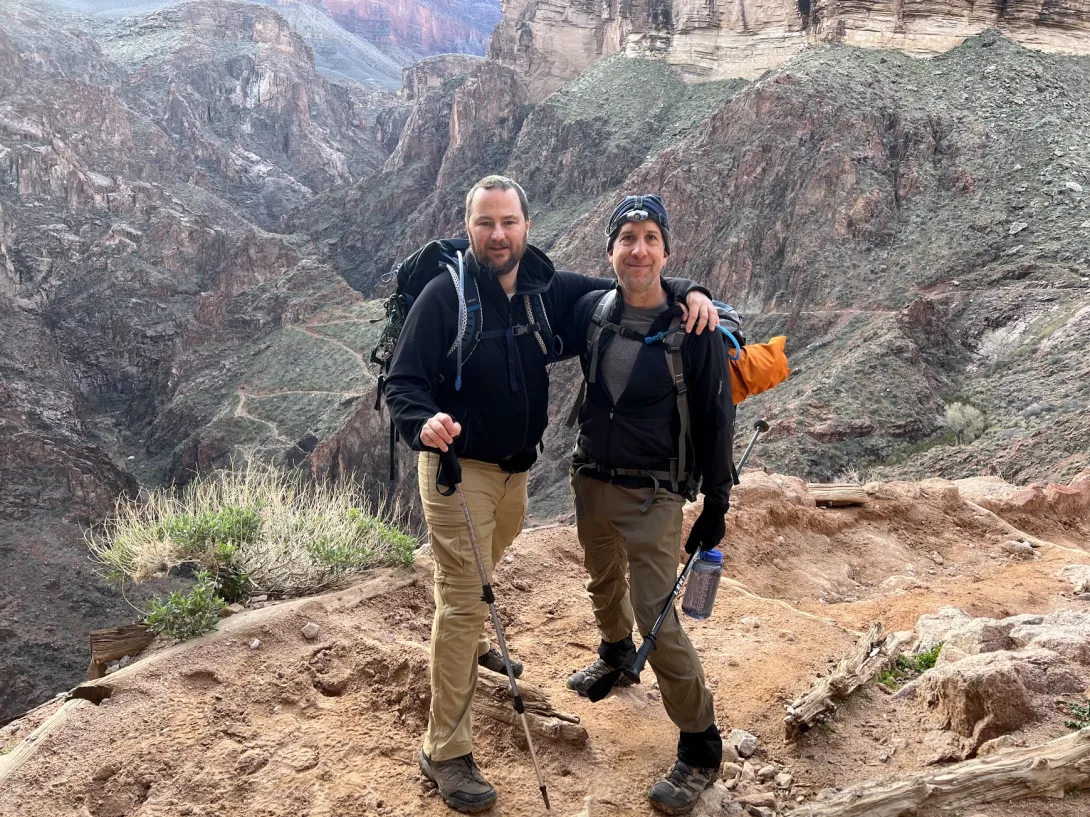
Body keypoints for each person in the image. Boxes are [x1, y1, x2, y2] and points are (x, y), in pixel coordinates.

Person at [383, 175, 720, 813]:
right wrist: (421, 422)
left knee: (487, 562)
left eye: (509, 222)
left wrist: (688, 291)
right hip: (458, 470)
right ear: (469, 228)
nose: (499, 234)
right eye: (486, 223)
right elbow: (404, 380)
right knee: (461, 599)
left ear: (527, 225)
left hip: (516, 474)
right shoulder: (443, 297)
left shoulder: (548, 289)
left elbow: (634, 288)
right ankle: (445, 751)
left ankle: (469, 645)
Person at [565, 194, 736, 815]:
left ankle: (700, 746)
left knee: (656, 615)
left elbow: (718, 415)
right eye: (626, 238)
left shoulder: (695, 328)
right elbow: (530, 285)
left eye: (650, 238)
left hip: (655, 493)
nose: (638, 249)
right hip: (591, 478)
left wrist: (717, 499)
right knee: (601, 579)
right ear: (610, 249)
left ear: (666, 249)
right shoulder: (592, 310)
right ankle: (614, 657)